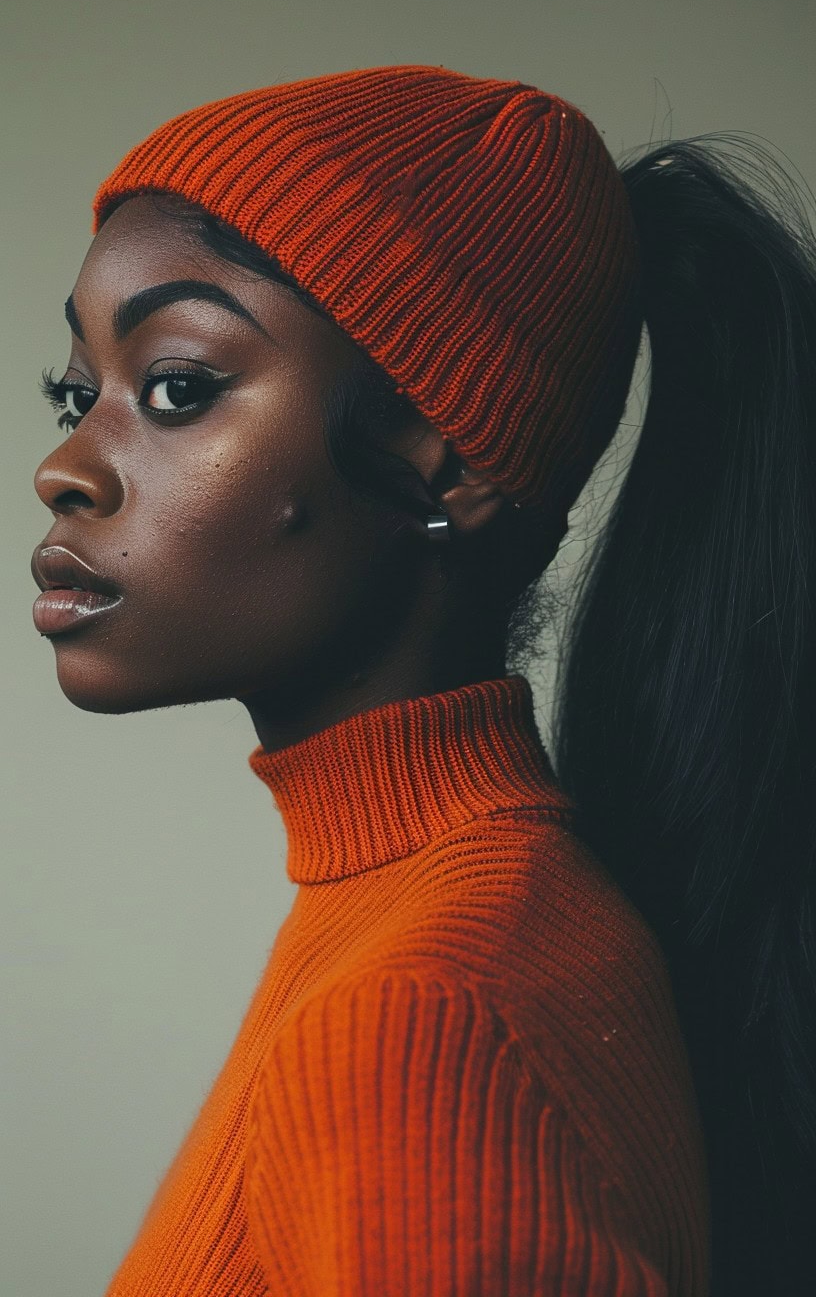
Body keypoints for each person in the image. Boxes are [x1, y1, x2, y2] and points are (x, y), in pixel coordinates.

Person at [31, 65, 815, 1297]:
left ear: (443, 456)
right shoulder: (433, 924)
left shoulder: (420, 1015)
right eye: (78, 392)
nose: (65, 467)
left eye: (176, 385)